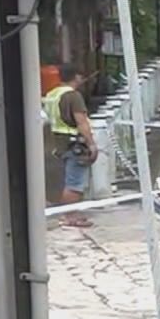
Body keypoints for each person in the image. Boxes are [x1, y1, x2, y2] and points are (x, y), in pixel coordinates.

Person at [43, 65, 98, 228]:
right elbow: (81, 122)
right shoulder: (73, 96)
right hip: (75, 143)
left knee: (69, 180)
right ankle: (70, 216)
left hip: (59, 143)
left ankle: (70, 214)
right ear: (77, 77)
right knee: (75, 182)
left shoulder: (52, 95)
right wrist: (91, 144)